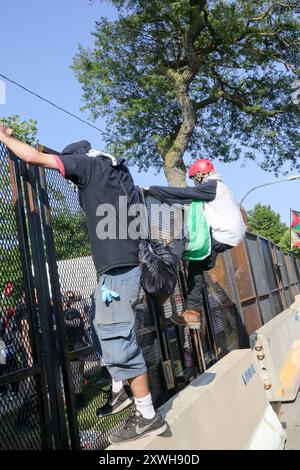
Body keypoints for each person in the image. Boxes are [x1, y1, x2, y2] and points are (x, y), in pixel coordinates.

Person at [0, 124, 167, 444]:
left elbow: (35, 158)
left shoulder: (87, 166)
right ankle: (120, 387)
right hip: (117, 273)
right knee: (97, 320)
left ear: (77, 160)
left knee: (119, 340)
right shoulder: (115, 170)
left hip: (119, 273)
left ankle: (147, 415)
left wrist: (6, 139)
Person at [148, 158, 246, 330]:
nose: (195, 182)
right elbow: (188, 201)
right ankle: (192, 314)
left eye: (195, 178)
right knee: (196, 266)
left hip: (224, 234)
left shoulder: (213, 186)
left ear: (201, 175)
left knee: (188, 234)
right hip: (230, 236)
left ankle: (165, 261)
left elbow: (186, 194)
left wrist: (153, 190)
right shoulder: (220, 189)